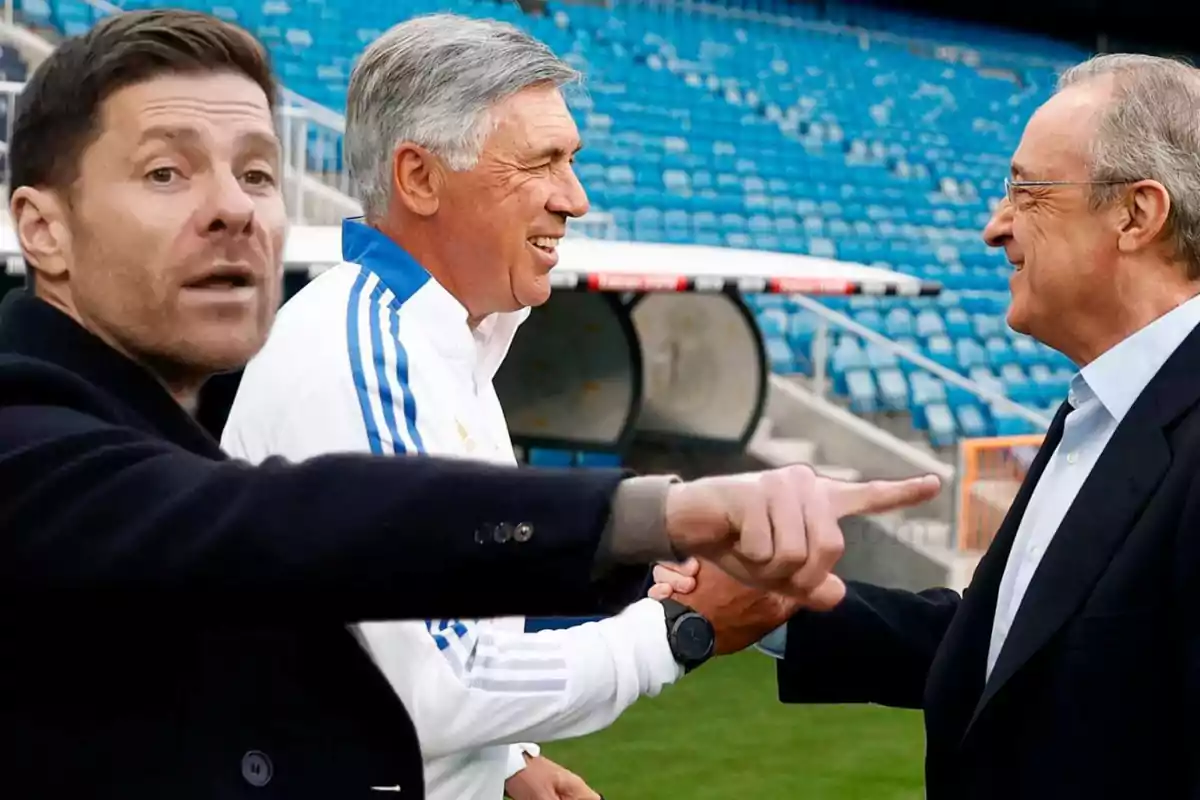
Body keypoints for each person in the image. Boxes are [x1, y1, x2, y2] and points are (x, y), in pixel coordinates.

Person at [0, 9, 943, 798]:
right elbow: (357, 560)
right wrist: (677, 616)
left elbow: (379, 618)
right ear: (418, 178)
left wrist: (504, 763)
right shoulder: (349, 348)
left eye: (258, 172)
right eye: (168, 172)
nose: (573, 198)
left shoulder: (448, 345)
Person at [655, 53, 1200, 799]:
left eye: (1025, 191)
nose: (993, 226)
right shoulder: (1104, 405)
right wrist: (792, 607)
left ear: (1136, 214)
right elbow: (1011, 648)